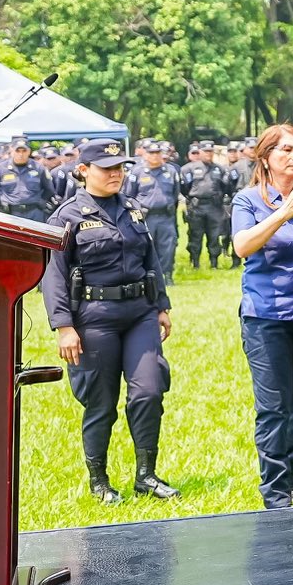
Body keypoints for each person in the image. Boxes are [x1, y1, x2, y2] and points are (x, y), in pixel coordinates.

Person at [41, 138, 180, 505]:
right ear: (84, 170)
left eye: (120, 167)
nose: (116, 174)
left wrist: (161, 305)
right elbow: (53, 274)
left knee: (149, 391)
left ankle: (146, 476)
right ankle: (99, 481)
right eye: (107, 168)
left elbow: (151, 260)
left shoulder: (132, 209)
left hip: (139, 313)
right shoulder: (67, 216)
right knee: (101, 403)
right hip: (93, 319)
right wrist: (63, 326)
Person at [231, 123, 293, 510]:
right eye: (286, 150)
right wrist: (285, 211)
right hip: (266, 317)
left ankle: (289, 475)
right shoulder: (249, 201)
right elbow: (243, 246)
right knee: (273, 406)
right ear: (266, 158)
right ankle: (275, 492)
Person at [128, 138, 183, 281]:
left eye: (158, 153)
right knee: (144, 246)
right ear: (145, 155)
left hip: (166, 216)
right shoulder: (137, 172)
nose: (155, 156)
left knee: (168, 247)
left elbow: (175, 194)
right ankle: (146, 275)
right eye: (151, 153)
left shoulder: (170, 171)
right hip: (146, 217)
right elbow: (129, 195)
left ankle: (167, 275)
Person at [181, 141, 231, 270]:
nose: (208, 154)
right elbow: (184, 188)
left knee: (214, 236)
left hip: (214, 206)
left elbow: (225, 187)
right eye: (206, 151)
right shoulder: (189, 168)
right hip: (197, 207)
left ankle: (214, 263)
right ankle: (195, 263)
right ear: (200, 152)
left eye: (210, 151)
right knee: (195, 235)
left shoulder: (219, 169)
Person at [0, 134, 53, 222]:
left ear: (29, 151)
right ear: (11, 150)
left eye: (24, 151)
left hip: (34, 213)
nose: (21, 154)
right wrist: (1, 203)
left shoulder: (39, 168)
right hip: (9, 213)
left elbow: (49, 190)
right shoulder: (0, 168)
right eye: (18, 151)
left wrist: (41, 201)